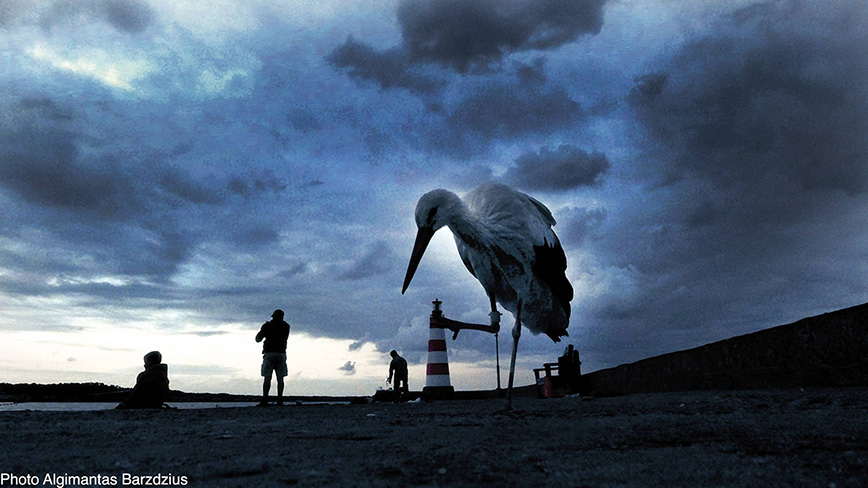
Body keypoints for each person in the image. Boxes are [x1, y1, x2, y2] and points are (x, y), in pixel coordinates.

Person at [255, 309, 290, 406]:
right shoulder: (286, 326)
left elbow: (258, 339)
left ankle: (265, 399)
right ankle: (280, 400)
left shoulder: (267, 326)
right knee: (280, 378)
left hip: (269, 353)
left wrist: (265, 328)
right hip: (281, 353)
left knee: (267, 377)